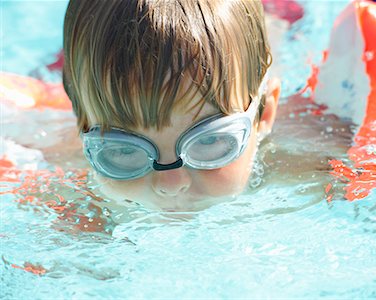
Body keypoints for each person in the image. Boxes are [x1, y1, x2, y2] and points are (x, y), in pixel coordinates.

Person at [62, 0, 281, 211]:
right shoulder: (64, 182)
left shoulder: (302, 168)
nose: (170, 185)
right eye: (124, 149)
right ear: (81, 126)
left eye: (209, 139)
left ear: (264, 114)